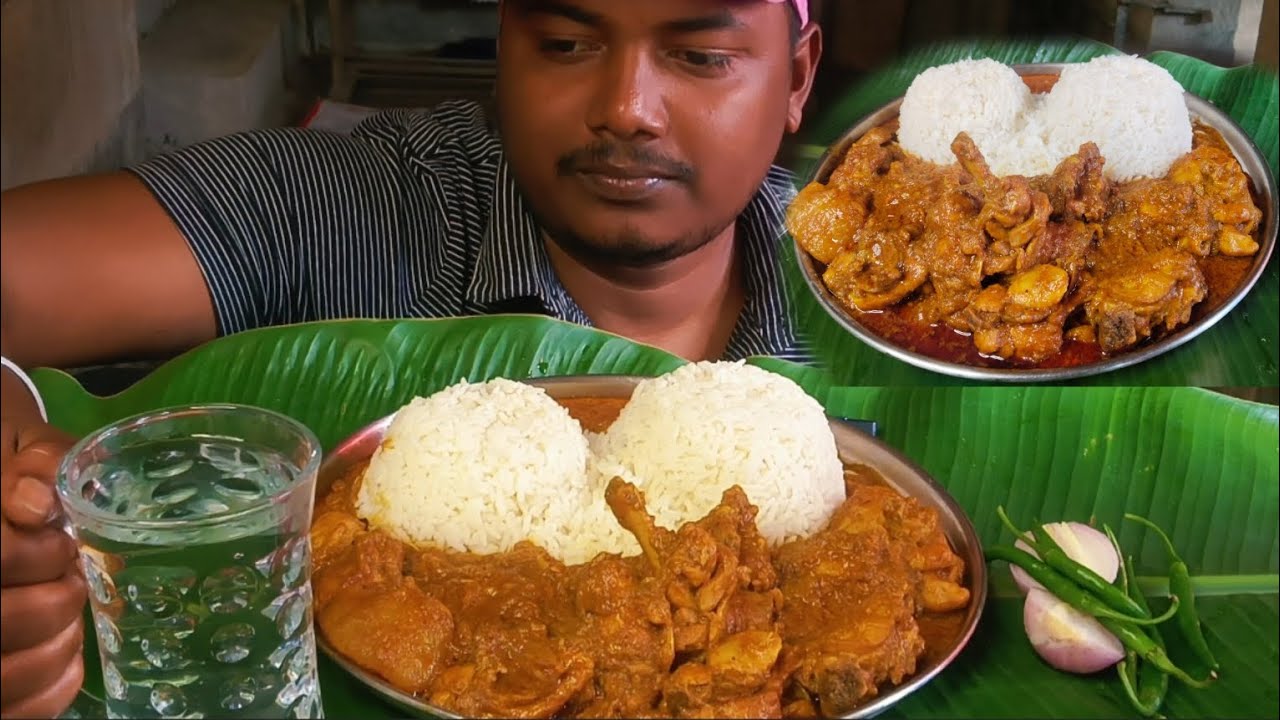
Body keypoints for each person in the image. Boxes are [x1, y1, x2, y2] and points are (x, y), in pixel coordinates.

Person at [0, 0, 821, 715]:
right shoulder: (346, 208)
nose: (626, 109)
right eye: (566, 44)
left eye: (700, 56)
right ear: (503, 48)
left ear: (795, 78)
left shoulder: (871, 292)